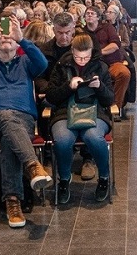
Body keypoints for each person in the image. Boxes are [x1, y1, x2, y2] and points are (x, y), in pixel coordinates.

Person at [0, 18, 52, 228]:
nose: (6, 39)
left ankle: (12, 202)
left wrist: (23, 40)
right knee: (6, 117)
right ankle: (33, 166)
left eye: (10, 37)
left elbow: (42, 64)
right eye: (1, 36)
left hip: (23, 120)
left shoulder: (25, 63)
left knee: (9, 142)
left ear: (17, 43)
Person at [46, 34, 114, 204]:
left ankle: (104, 177)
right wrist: (68, 86)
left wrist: (100, 87)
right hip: (64, 111)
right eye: (78, 57)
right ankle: (64, 178)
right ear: (72, 51)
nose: (82, 60)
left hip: (95, 111)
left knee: (93, 137)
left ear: (92, 52)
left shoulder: (101, 67)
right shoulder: (62, 66)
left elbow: (109, 100)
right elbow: (51, 96)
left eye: (86, 57)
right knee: (62, 140)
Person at [81, 7, 131, 118]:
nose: (89, 15)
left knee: (124, 73)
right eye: (87, 14)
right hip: (92, 66)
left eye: (92, 13)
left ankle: (115, 107)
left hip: (111, 62)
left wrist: (99, 53)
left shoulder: (107, 28)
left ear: (98, 17)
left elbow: (115, 45)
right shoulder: (82, 32)